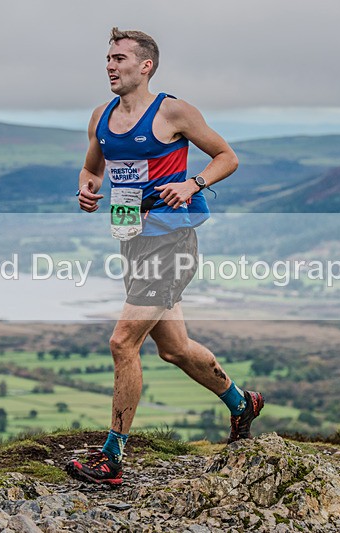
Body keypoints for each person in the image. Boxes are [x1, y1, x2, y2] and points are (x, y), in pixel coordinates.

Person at [66, 28, 264, 486]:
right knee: (174, 349)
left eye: (119, 58)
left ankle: (111, 459)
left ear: (145, 65)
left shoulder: (173, 111)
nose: (110, 66)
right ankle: (241, 403)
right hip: (132, 238)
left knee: (123, 342)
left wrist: (193, 183)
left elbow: (226, 156)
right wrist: (87, 188)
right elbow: (92, 167)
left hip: (172, 241)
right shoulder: (102, 116)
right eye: (108, 59)